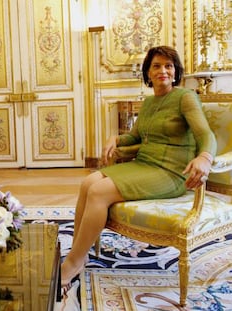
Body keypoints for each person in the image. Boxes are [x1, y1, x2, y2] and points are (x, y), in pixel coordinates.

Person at [60, 46, 217, 292]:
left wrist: (205, 157)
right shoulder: (148, 103)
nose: (163, 70)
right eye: (156, 66)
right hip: (145, 164)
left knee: (99, 191)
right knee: (87, 183)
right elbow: (134, 136)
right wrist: (116, 139)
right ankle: (80, 253)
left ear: (175, 72)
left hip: (171, 173)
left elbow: (205, 134)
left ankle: (73, 262)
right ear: (148, 72)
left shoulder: (185, 97)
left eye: (168, 66)